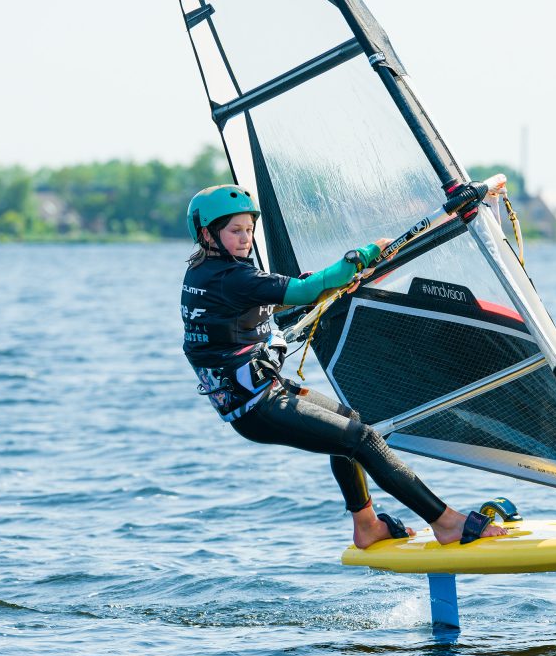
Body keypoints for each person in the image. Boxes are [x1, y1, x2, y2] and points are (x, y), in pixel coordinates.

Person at [181, 184, 508, 548]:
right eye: (235, 231)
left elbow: (292, 291)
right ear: (208, 234)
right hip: (257, 406)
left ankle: (366, 525)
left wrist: (334, 281)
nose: (246, 239)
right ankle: (446, 522)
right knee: (362, 440)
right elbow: (303, 293)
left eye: (248, 229)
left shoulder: (209, 273)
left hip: (259, 395)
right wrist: (362, 256)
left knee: (353, 425)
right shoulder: (231, 278)